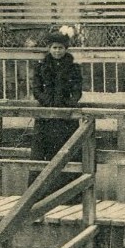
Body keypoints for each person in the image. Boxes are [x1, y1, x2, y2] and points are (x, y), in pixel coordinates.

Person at [30, 30, 83, 193]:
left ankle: (67, 193)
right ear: (49, 48)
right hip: (46, 116)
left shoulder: (74, 68)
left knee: (66, 151)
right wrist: (48, 102)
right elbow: (36, 89)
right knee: (42, 151)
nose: (57, 51)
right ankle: (38, 193)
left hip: (66, 117)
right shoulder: (40, 67)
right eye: (54, 48)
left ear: (66, 49)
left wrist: (67, 104)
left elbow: (77, 91)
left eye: (60, 48)